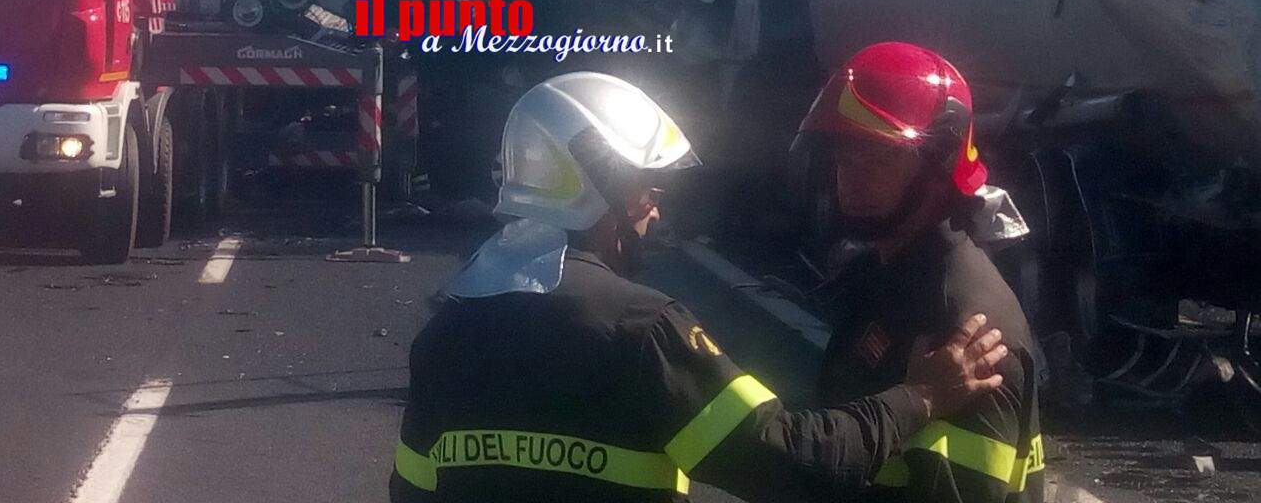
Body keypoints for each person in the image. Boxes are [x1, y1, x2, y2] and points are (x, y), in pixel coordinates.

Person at [390, 71, 1011, 502]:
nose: (654, 211)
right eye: (646, 190)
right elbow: (792, 466)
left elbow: (411, 492)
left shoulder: (446, 329)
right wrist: (921, 396)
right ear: (597, 183)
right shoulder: (642, 328)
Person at [791, 42, 1045, 503]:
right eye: (845, 157)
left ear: (939, 165)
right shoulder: (886, 275)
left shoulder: (962, 326)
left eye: (879, 158)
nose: (850, 178)